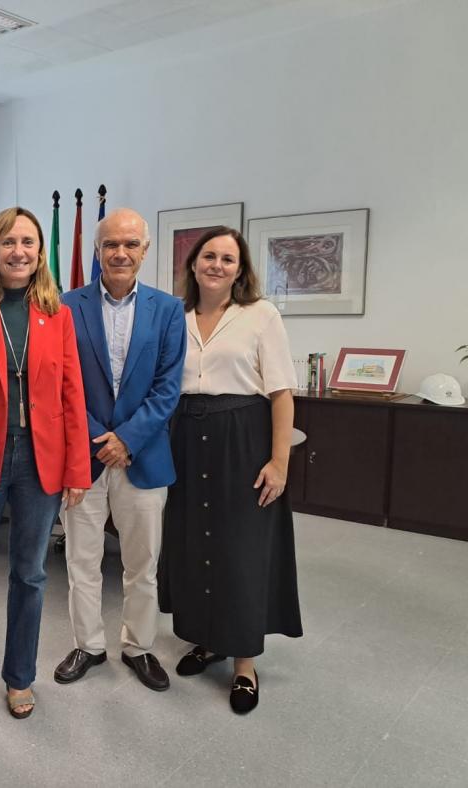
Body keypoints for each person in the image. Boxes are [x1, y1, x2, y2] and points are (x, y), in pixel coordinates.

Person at [0, 206, 91, 719]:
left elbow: (73, 396)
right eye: (8, 242)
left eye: (28, 243)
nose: (19, 251)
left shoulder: (58, 314)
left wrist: (78, 469)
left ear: (39, 253)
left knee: (30, 574)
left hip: (41, 461)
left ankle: (19, 677)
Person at [158, 226, 303, 715]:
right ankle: (205, 638)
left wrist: (279, 461)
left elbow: (282, 392)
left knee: (241, 548)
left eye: (228, 259)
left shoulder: (261, 315)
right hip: (186, 438)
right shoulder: (173, 316)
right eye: (209, 256)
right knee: (194, 541)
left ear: (240, 270)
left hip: (242, 438)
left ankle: (244, 662)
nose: (217, 265)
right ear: (193, 264)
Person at [54, 208, 186, 692]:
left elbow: (168, 388)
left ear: (145, 251)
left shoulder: (168, 310)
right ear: (97, 250)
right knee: (82, 563)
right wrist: (100, 439)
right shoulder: (66, 305)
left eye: (131, 244)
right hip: (82, 457)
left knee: (142, 565)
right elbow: (63, 385)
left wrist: (127, 439)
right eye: (111, 244)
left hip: (144, 457)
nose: (120, 252)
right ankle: (87, 645)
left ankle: (139, 646)